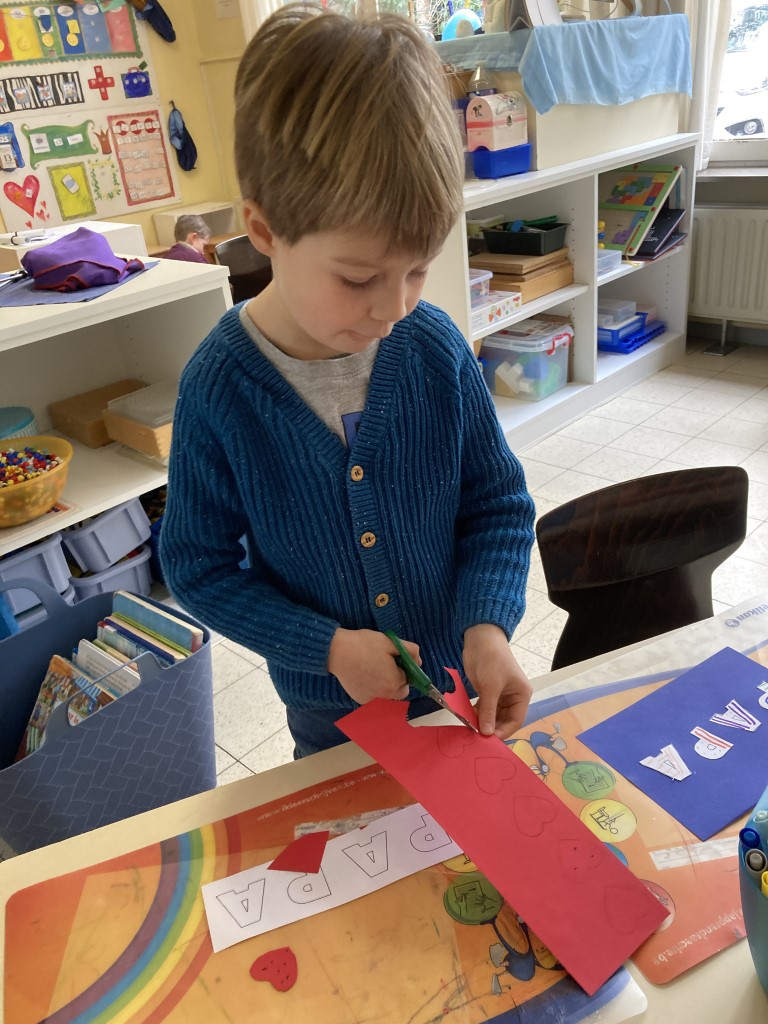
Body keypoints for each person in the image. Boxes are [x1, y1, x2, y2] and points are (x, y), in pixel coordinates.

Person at [160, 3, 536, 758]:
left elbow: (497, 504)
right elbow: (198, 568)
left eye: (418, 270)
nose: (394, 308)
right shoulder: (220, 387)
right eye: (359, 278)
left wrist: (487, 625)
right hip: (329, 729)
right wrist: (326, 648)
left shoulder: (432, 347)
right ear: (264, 232)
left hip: (456, 707)